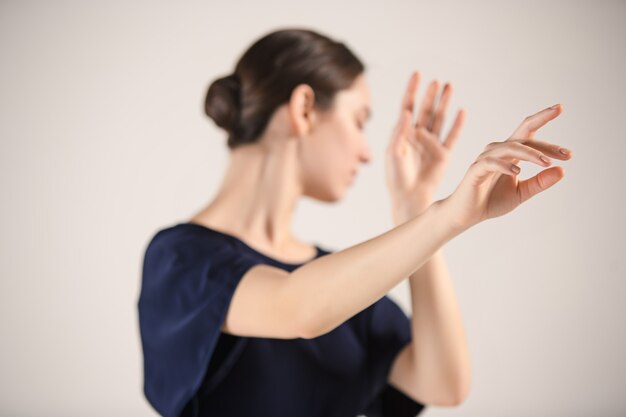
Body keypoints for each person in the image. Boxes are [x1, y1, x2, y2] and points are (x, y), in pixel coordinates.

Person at [137, 28, 573, 417]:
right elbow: (300, 310)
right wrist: (446, 217)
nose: (368, 153)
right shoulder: (179, 259)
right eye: (359, 120)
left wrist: (417, 207)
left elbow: (444, 383)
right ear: (305, 107)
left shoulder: (341, 284)